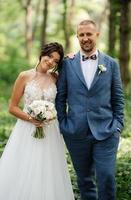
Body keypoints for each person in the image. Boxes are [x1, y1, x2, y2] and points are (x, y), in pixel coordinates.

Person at [56, 20, 124, 200]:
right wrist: (64, 125)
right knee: (84, 180)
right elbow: (60, 97)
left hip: (106, 131)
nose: (85, 38)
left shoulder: (111, 64)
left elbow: (118, 97)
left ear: (97, 35)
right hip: (76, 132)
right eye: (81, 35)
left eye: (89, 34)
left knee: (106, 177)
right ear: (77, 37)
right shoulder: (67, 64)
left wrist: (118, 124)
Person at [0, 42, 75, 200]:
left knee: (49, 170)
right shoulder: (24, 76)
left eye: (56, 61)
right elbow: (12, 107)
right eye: (49, 56)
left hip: (50, 130)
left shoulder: (55, 78)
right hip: (26, 129)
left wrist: (70, 60)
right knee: (24, 167)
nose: (50, 62)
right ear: (42, 54)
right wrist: (31, 119)